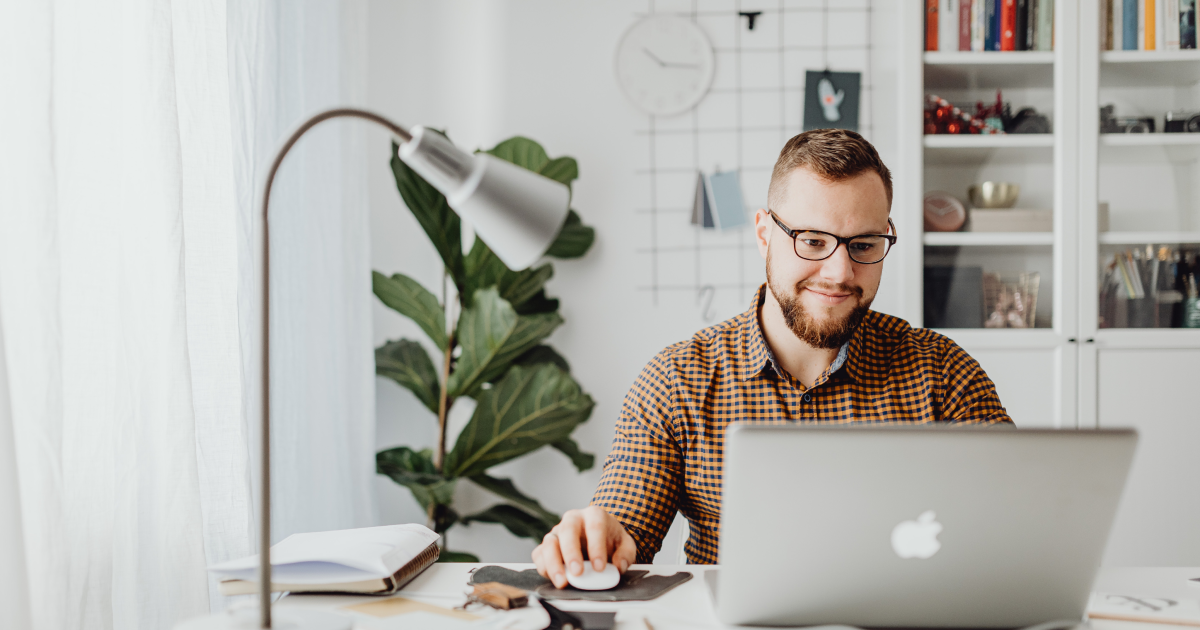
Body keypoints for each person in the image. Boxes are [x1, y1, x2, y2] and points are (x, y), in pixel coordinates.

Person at [531, 129, 1012, 588]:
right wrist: (598, 538)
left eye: (864, 245)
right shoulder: (678, 379)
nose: (840, 272)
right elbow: (625, 523)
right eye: (813, 241)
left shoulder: (944, 373)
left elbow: (1018, 520)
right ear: (764, 233)